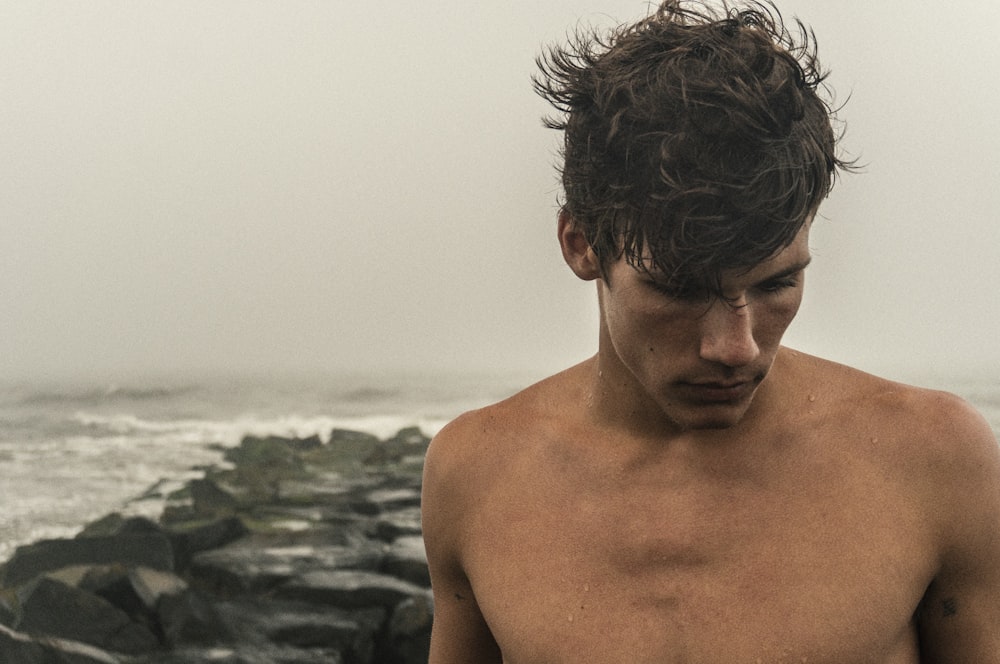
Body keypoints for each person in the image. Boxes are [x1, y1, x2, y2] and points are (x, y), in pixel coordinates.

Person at [420, 1, 1000, 661]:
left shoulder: (932, 459)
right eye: (679, 289)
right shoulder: (476, 474)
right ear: (581, 245)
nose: (735, 347)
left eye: (777, 284)